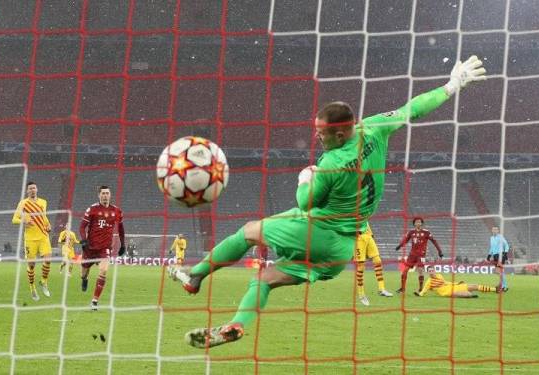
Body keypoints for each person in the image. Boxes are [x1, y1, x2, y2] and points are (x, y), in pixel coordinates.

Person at [169, 56, 487, 348]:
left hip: (320, 230)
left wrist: (305, 177)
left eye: (321, 133)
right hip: (340, 251)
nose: (317, 137)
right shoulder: (374, 129)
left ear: (339, 134)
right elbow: (412, 108)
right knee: (264, 279)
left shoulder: (330, 163)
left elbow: (306, 202)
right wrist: (451, 85)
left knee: (248, 232)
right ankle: (237, 325)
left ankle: (195, 277)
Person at [79, 186, 125, 310]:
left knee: (104, 271)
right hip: (90, 247)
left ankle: (94, 301)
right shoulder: (92, 209)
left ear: (110, 195)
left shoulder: (116, 211)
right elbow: (82, 226)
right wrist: (83, 240)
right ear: (99, 195)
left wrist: (123, 244)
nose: (105, 195)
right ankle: (85, 278)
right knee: (82, 274)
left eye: (107, 193)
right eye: (103, 193)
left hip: (104, 248)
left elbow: (121, 228)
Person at [12, 181, 52, 301]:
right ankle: (32, 287)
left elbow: (43, 216)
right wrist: (24, 221)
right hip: (30, 239)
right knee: (31, 265)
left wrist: (48, 225)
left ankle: (44, 282)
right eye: (30, 189)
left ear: (37, 189)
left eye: (34, 188)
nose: (32, 190)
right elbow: (14, 219)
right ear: (27, 191)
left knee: (48, 259)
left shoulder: (43, 202)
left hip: (43, 236)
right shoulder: (23, 203)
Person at [395, 217, 443, 293]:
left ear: (422, 223)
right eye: (416, 222)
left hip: (421, 255)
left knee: (420, 271)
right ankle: (402, 289)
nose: (418, 223)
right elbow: (405, 240)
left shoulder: (426, 232)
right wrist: (400, 245)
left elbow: (434, 241)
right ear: (414, 223)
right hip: (412, 255)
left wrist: (439, 251)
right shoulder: (411, 232)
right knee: (404, 271)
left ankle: (420, 289)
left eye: (419, 222)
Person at [354, 224, 393, 306]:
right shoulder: (349, 213)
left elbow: (366, 224)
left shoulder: (364, 212)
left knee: (378, 260)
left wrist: (372, 236)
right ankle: (361, 294)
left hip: (368, 236)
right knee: (360, 266)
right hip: (358, 239)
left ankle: (381, 289)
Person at [413, 268, 498, 298]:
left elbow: (446, 282)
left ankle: (495, 289)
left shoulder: (439, 276)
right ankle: (470, 295)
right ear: (428, 273)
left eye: (432, 270)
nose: (431, 272)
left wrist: (457, 283)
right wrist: (419, 294)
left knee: (474, 285)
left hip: (452, 287)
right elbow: (423, 291)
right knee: (467, 294)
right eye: (430, 271)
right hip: (447, 292)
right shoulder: (429, 282)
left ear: (434, 271)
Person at [486, 226, 509, 292]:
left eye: (496, 229)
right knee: (498, 271)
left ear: (498, 231)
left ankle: (504, 286)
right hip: (495, 256)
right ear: (492, 230)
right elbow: (492, 247)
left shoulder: (500, 237)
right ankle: (502, 284)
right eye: (493, 229)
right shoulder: (491, 238)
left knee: (500, 271)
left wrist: (505, 253)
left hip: (500, 255)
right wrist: (489, 255)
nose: (494, 230)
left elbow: (506, 245)